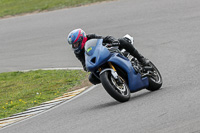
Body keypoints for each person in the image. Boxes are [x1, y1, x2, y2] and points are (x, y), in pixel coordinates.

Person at [67, 28, 149, 85]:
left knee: (121, 41)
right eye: (73, 45)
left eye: (76, 43)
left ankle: (141, 59)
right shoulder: (78, 53)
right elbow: (83, 63)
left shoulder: (91, 37)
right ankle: (111, 81)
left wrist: (114, 41)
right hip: (98, 62)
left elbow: (105, 38)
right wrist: (86, 67)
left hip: (107, 51)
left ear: (82, 38)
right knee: (92, 78)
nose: (75, 46)